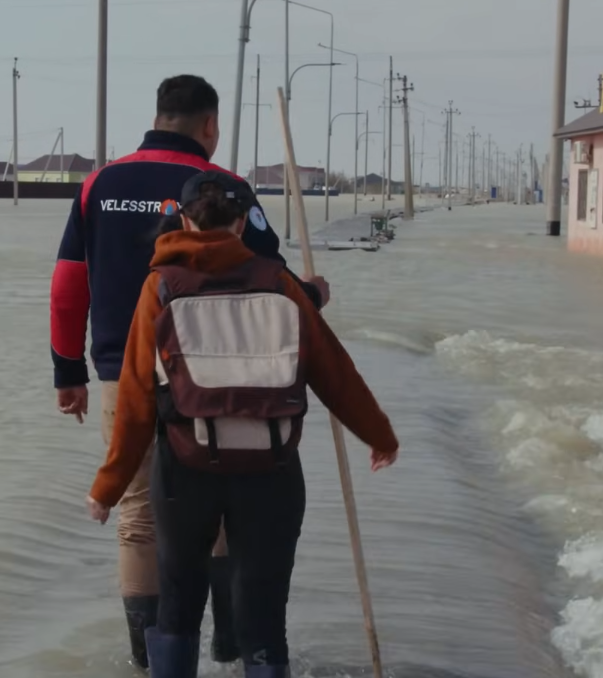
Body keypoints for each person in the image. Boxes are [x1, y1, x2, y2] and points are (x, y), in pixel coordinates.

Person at [50, 74, 329, 668]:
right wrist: (314, 294)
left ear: (156, 116)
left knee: (138, 516)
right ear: (210, 126)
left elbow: (68, 283)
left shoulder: (101, 183)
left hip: (119, 377)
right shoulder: (224, 187)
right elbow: (268, 277)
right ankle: (228, 647)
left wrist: (66, 370)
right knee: (223, 503)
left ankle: (145, 660)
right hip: (216, 373)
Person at [85, 171, 400, 678]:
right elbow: (334, 373)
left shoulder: (161, 287)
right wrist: (380, 437)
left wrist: (108, 487)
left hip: (184, 475)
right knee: (264, 616)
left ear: (183, 219)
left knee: (178, 608)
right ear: (241, 224)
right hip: (271, 475)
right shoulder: (277, 283)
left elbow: (136, 399)